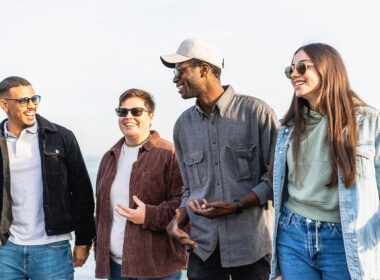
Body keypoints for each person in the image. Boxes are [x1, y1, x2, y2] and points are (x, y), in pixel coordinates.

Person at [160, 38, 279, 280]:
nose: (174, 78)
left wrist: (237, 205)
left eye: (180, 69)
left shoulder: (257, 113)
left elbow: (276, 179)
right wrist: (176, 221)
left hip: (251, 248)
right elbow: (190, 189)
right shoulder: (182, 125)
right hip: (202, 249)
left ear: (203, 69)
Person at [270, 43, 380, 280]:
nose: (294, 75)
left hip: (345, 238)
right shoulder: (288, 127)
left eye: (302, 67)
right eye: (290, 70)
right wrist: (278, 268)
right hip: (292, 235)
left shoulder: (368, 122)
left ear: (328, 69)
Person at [0, 76, 95, 279]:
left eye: (34, 98)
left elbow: (82, 192)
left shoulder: (61, 137)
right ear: (4, 104)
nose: (31, 105)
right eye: (23, 100)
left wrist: (84, 241)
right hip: (6, 250)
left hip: (52, 249)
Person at [94, 88, 187, 280]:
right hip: (115, 267)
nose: (128, 117)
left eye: (136, 111)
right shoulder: (108, 157)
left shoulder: (169, 153)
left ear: (150, 116)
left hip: (157, 267)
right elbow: (102, 210)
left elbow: (183, 203)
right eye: (122, 112)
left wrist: (149, 215)